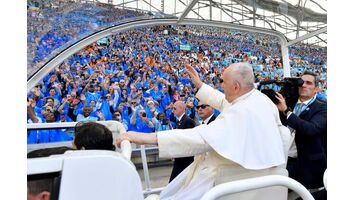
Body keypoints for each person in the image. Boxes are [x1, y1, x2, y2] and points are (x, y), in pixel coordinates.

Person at [116, 62, 286, 200]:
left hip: (220, 179)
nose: (220, 85)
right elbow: (223, 101)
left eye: (223, 82)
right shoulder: (257, 99)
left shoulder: (242, 110)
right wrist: (200, 85)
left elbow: (200, 138)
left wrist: (143, 138)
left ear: (235, 86)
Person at [275, 70, 327, 189]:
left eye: (309, 83)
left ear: (316, 89)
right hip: (283, 158)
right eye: (302, 82)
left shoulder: (323, 107)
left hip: (307, 165)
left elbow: (311, 129)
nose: (304, 85)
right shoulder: (287, 102)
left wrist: (286, 111)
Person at [168, 100, 196, 182]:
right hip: (181, 157)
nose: (173, 110)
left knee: (175, 182)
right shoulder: (181, 121)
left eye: (174, 108)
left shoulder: (187, 121)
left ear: (181, 108)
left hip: (185, 159)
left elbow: (188, 141)